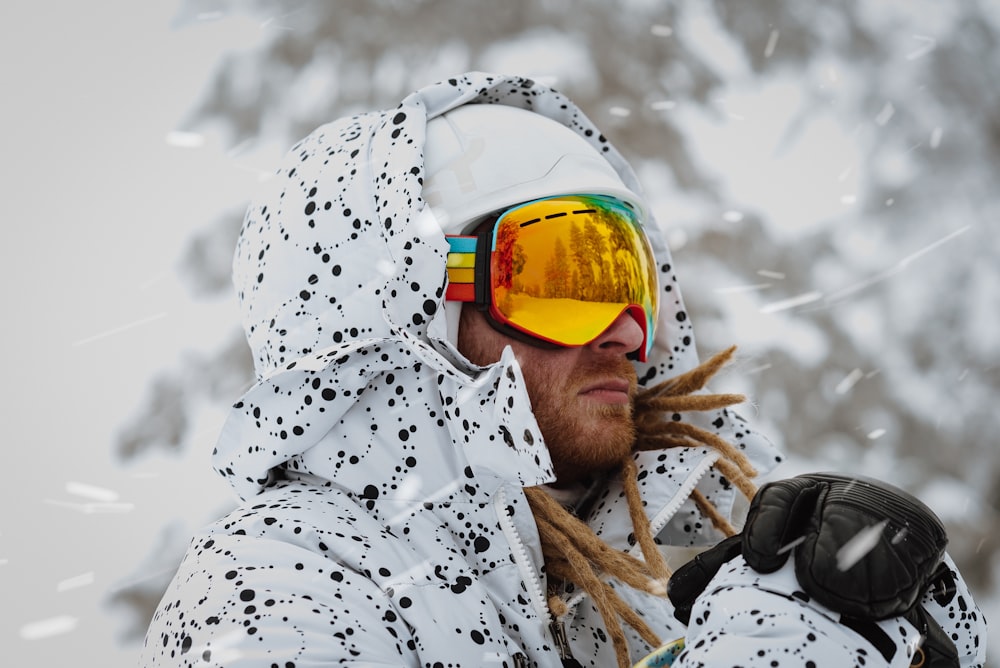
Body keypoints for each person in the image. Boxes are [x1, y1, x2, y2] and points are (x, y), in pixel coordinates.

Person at [141, 72, 986, 668]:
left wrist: (891, 631)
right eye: (561, 277)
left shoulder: (655, 586)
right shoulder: (270, 593)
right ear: (405, 308)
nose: (626, 330)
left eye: (629, 277)